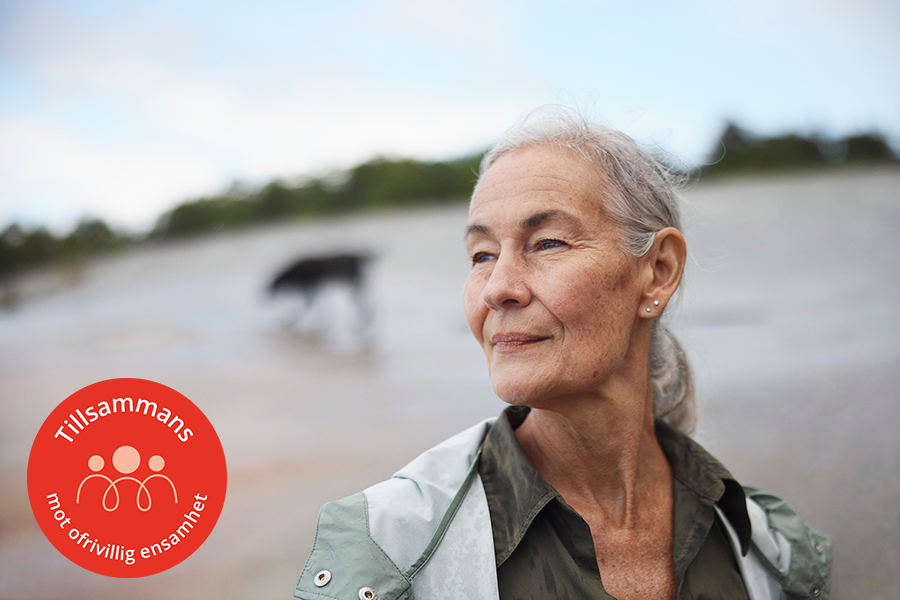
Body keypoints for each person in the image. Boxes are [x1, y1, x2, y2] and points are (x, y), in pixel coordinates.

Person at [292, 108, 831, 600]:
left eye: (547, 243)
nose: (496, 288)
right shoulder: (388, 552)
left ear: (658, 272)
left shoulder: (769, 548)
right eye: (482, 254)